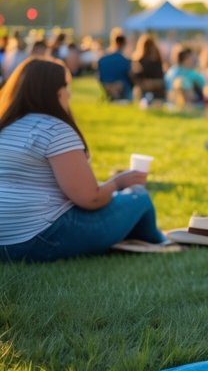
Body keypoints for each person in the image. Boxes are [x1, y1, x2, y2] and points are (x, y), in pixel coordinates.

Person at [0, 57, 175, 262]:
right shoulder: (54, 129)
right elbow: (90, 199)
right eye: (66, 87)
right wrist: (119, 182)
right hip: (40, 238)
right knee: (139, 197)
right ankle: (160, 243)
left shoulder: (7, 126)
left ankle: (141, 239)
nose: (70, 94)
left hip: (6, 243)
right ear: (54, 92)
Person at [96, 30, 133, 102]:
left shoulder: (103, 59)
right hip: (121, 89)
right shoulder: (125, 61)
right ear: (124, 44)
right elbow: (131, 77)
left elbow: (99, 76)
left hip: (107, 87)